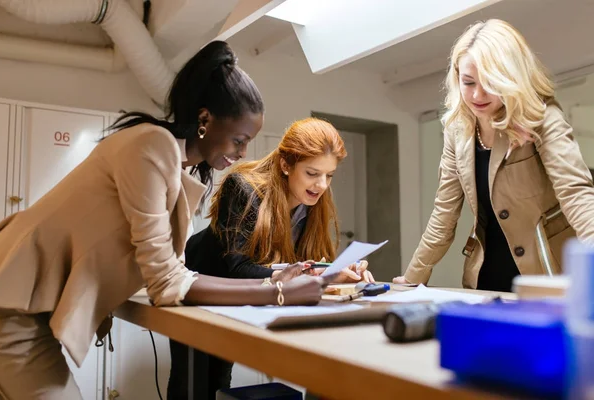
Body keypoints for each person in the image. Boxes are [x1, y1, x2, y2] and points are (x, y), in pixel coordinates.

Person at [0, 41, 325, 400]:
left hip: (21, 307)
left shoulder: (172, 165)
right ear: (204, 121)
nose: (243, 153)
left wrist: (274, 280)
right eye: (239, 140)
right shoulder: (152, 146)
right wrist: (277, 294)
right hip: (8, 308)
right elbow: (167, 284)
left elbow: (174, 273)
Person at [167, 117, 374, 399]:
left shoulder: (312, 198)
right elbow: (237, 268)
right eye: (312, 173)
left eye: (329, 175)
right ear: (286, 165)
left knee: (220, 376)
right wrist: (294, 276)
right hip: (203, 280)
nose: (322, 184)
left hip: (248, 291)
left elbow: (305, 265)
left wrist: (336, 274)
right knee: (192, 381)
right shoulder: (242, 188)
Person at [393, 19, 594, 292]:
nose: (477, 94)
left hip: (547, 273)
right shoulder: (457, 130)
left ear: (511, 78)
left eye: (489, 82)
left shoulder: (542, 117)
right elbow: (444, 213)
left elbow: (577, 195)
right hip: (486, 276)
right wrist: (414, 276)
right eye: (468, 82)